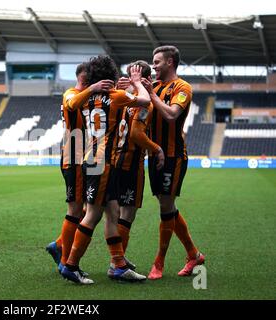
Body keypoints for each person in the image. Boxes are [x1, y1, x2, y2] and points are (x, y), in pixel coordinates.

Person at [60, 55, 150, 284]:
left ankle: (118, 265)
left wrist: (91, 89)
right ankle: (71, 265)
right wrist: (137, 82)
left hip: (90, 158)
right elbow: (145, 101)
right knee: (94, 214)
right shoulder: (117, 97)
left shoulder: (86, 99)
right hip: (104, 162)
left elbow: (70, 104)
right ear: (110, 76)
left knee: (112, 213)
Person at [141, 45, 205, 279]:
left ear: (170, 62)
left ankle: (159, 262)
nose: (153, 65)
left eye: (157, 61)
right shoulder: (154, 87)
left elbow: (171, 114)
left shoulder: (182, 87)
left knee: (165, 206)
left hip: (172, 156)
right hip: (154, 154)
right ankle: (194, 255)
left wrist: (151, 95)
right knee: (167, 206)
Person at [46, 63, 114, 273]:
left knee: (90, 208)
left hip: (86, 157)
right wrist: (93, 89)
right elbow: (72, 103)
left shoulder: (88, 97)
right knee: (76, 210)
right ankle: (65, 260)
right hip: (73, 157)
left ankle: (58, 245)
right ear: (86, 80)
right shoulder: (72, 93)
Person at [109, 61, 165, 276]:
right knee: (127, 214)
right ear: (147, 80)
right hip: (131, 163)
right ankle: (117, 264)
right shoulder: (145, 103)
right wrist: (156, 148)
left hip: (113, 160)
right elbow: (136, 135)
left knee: (107, 213)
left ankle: (117, 258)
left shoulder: (121, 96)